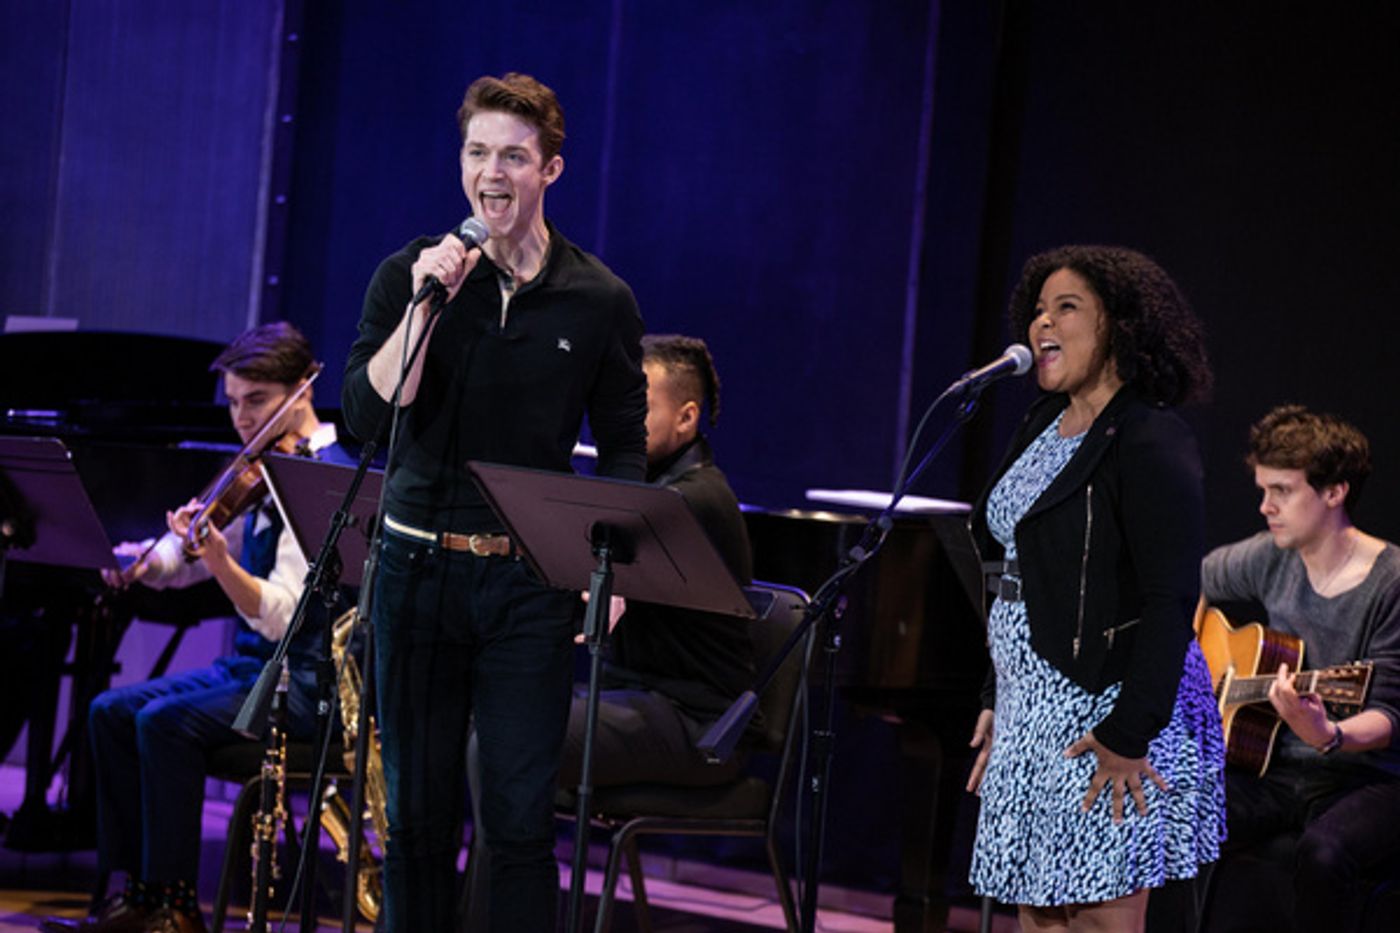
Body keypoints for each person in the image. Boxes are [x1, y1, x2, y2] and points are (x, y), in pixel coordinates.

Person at [340, 72, 646, 932]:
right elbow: (365, 416)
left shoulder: (598, 299)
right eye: (478, 153)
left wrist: (614, 566)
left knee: (516, 824)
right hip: (414, 572)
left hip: (527, 586)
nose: (493, 172)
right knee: (417, 822)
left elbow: (623, 441)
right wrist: (422, 306)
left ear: (552, 168)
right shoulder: (412, 273)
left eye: (514, 155)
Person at [41, 322, 349, 933]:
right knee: (108, 711)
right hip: (252, 672)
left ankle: (178, 908)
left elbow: (285, 612)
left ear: (302, 390)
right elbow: (187, 557)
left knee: (165, 722)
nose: (240, 417)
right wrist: (142, 561)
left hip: (307, 686)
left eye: (256, 400)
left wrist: (218, 561)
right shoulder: (262, 472)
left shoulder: (321, 476)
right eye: (233, 402)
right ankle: (140, 893)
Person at [964, 245, 1226, 931]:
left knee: (1099, 913)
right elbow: (1009, 568)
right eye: (1038, 310)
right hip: (1032, 709)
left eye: (1066, 307)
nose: (1041, 324)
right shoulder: (1041, 426)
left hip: (1108, 706)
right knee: (1039, 912)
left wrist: (1128, 733)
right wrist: (999, 696)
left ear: (1118, 325)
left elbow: (1171, 597)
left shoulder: (1148, 436)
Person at [459, 334, 754, 927]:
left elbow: (593, 590)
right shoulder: (654, 490)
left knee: (507, 741)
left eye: (637, 407)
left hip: (696, 722)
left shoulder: (692, 500)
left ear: (686, 416)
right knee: (492, 725)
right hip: (634, 700)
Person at [1199, 405, 1400, 931]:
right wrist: (1192, 657)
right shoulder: (1272, 555)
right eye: (1263, 490)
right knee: (1175, 811)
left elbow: (1388, 715)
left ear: (1334, 492)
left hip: (1367, 778)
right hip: (1274, 770)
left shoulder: (1391, 582)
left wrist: (1327, 734)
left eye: (1281, 491)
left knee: (1323, 854)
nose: (1265, 507)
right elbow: (1189, 581)